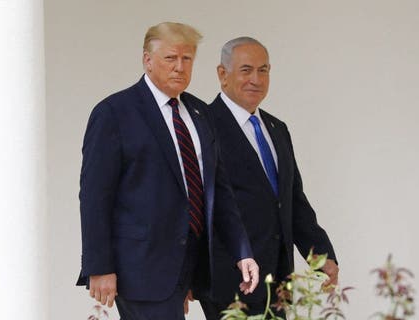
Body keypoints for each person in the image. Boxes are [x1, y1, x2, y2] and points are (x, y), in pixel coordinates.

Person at [76, 23, 259, 320]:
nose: (179, 67)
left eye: (187, 59)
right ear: (147, 60)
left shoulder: (200, 113)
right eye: (170, 58)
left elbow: (219, 190)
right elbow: (95, 196)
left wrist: (243, 251)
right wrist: (99, 266)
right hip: (140, 267)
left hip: (192, 264)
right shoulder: (115, 113)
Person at [194, 37, 339, 319]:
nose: (256, 79)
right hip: (230, 281)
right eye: (246, 70)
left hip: (278, 281)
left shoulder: (276, 129)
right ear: (222, 75)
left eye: (264, 70)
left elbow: (292, 201)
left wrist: (320, 253)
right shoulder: (203, 127)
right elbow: (196, 208)